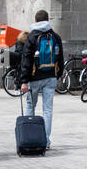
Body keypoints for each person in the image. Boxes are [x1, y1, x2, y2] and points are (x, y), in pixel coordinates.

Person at [20, 8, 63, 149]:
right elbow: (60, 58)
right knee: (48, 110)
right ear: (48, 20)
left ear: (35, 20)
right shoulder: (55, 36)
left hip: (34, 78)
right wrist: (58, 74)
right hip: (50, 77)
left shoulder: (31, 37)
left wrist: (24, 81)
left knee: (30, 106)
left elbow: (26, 60)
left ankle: (30, 138)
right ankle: (46, 141)